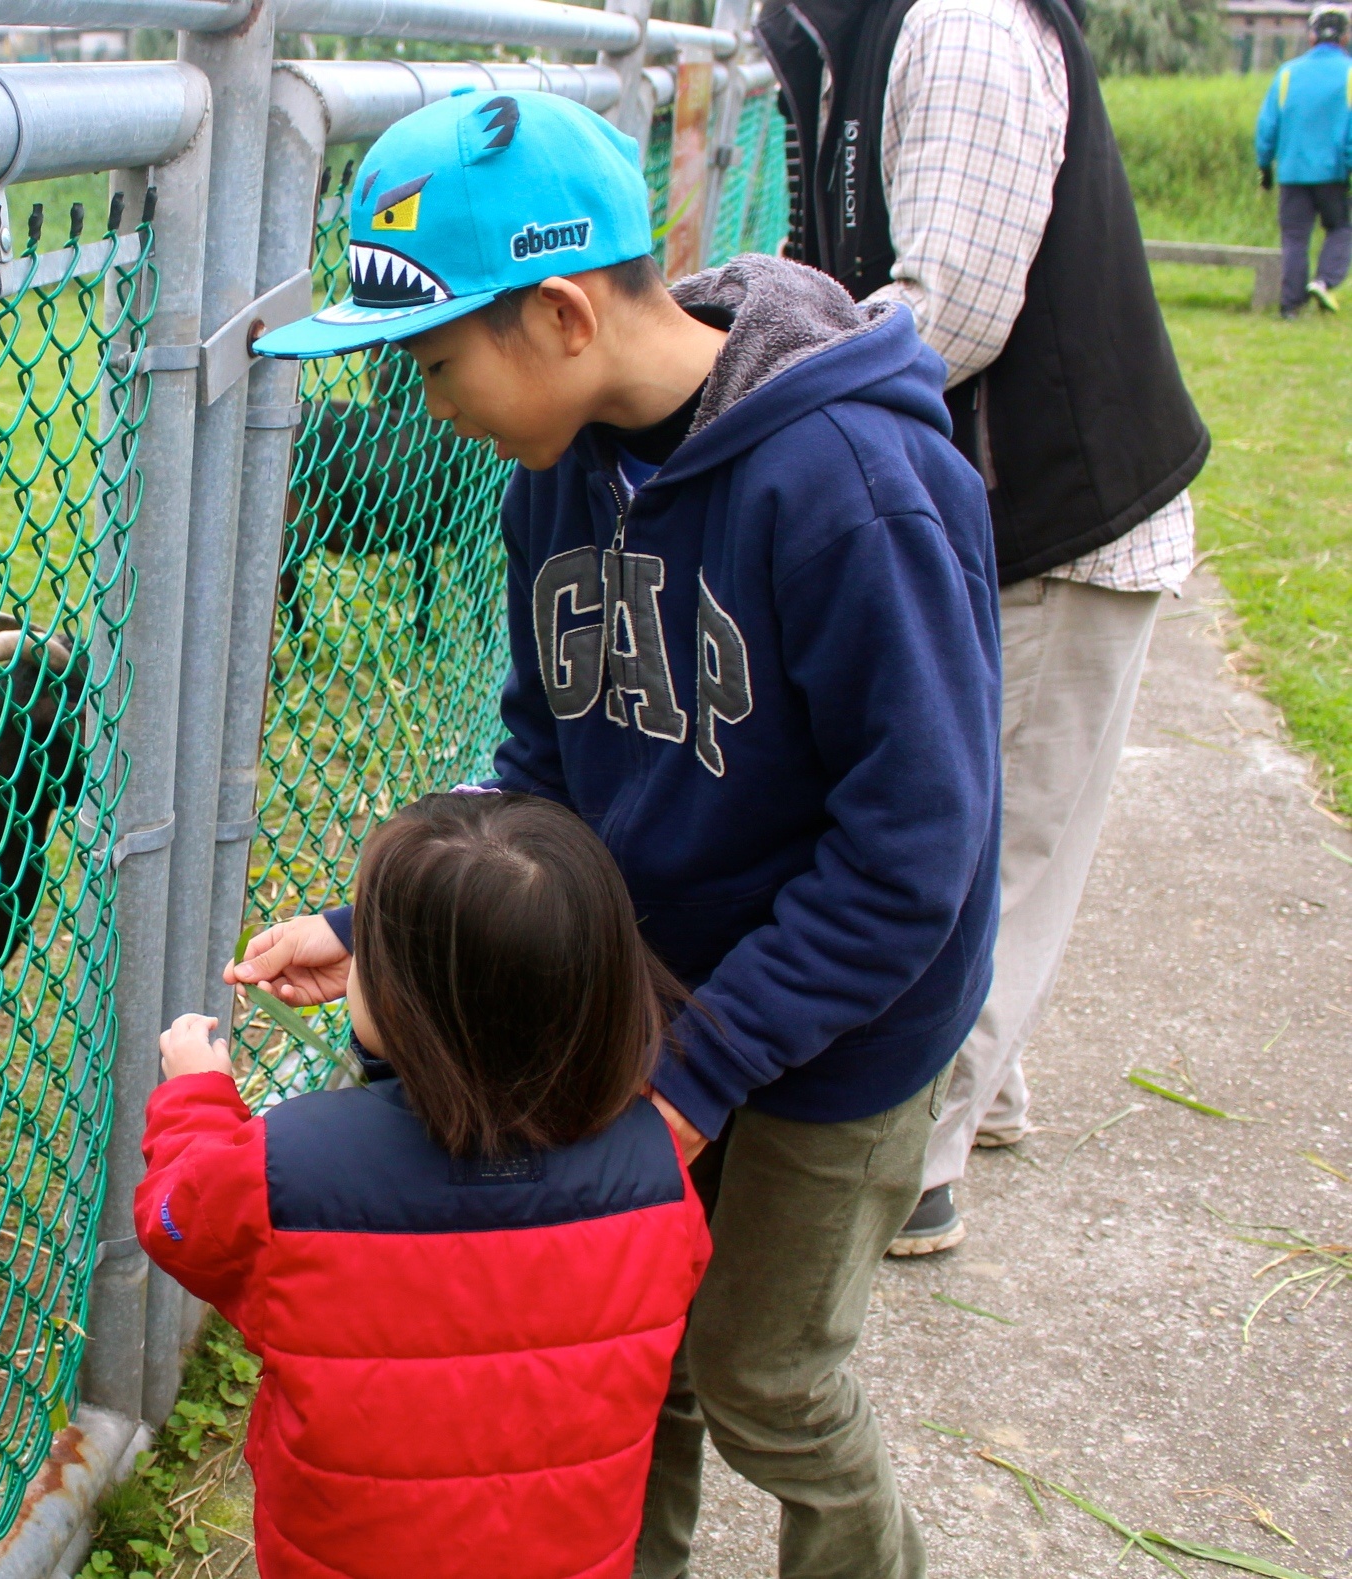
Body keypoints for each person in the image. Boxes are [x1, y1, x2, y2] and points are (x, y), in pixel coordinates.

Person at [243, 88, 999, 1578]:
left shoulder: (849, 488)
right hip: (649, 997)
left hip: (840, 1033)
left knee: (759, 1376)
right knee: (630, 1346)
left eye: (433, 359)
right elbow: (545, 750)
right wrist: (376, 925)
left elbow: (910, 852)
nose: (421, 401)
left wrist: (701, 1076)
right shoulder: (557, 479)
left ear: (564, 317)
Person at [757, 0, 1211, 1257]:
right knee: (969, 832)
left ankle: (914, 1168)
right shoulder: (823, 31)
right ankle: (980, 1089)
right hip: (960, 511)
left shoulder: (953, 24)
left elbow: (945, 312)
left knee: (973, 858)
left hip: (1054, 524)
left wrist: (743, 386)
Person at [136, 792, 709, 1579]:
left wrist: (195, 1097)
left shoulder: (291, 1166)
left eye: (363, 947)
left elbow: (176, 1221)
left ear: (404, 999)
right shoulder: (653, 1165)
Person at [1256, 3, 1352, 317]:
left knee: (1295, 238)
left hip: (1292, 170)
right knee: (1340, 228)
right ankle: (1324, 281)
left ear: (1311, 36)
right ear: (1345, 37)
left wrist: (1265, 165)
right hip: (1334, 172)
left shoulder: (1287, 73)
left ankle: (1289, 306)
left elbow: (1268, 124)